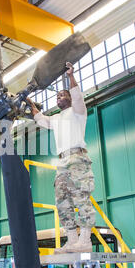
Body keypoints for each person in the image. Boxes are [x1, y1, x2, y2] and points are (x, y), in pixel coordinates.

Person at [28, 62, 95, 253]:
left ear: (70, 99)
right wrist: (30, 104)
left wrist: (70, 75)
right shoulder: (56, 119)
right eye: (57, 96)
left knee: (81, 197)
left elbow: (77, 95)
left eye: (62, 94)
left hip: (77, 158)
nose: (59, 97)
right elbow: (40, 118)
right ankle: (72, 240)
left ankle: (85, 240)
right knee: (62, 200)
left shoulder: (78, 112)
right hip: (62, 162)